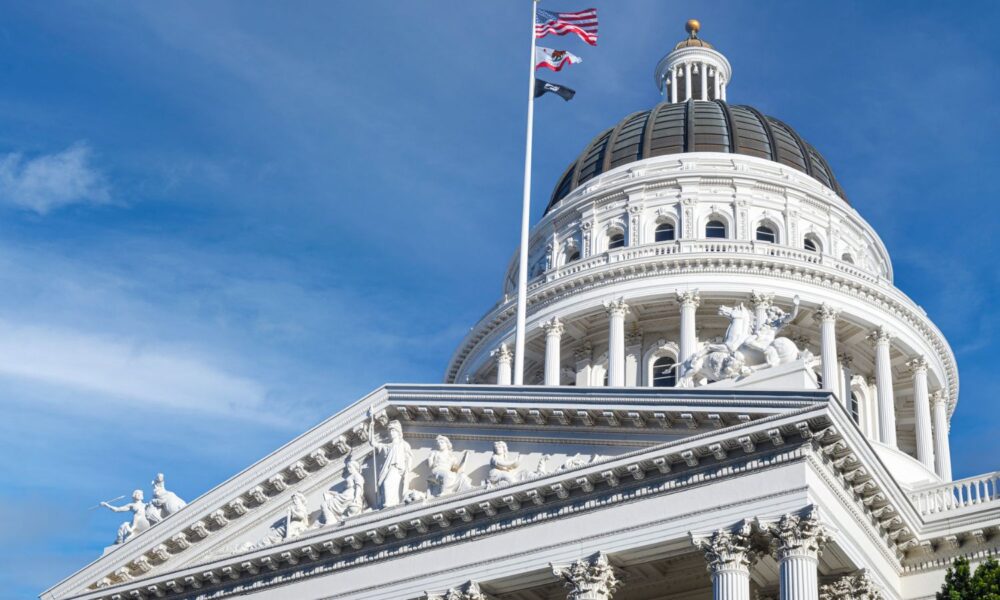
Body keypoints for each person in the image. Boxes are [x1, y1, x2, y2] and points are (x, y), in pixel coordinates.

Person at [373, 420, 412, 508]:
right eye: (390, 431)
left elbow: (409, 457)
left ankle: (389, 503)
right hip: (387, 469)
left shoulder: (404, 444)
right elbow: (373, 443)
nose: (391, 432)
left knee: (387, 483)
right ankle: (389, 502)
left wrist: (407, 470)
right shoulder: (387, 446)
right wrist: (371, 428)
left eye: (393, 430)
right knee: (383, 484)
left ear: (398, 432)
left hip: (397, 468)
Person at [321, 458, 365, 526]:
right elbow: (343, 491)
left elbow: (359, 487)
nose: (348, 469)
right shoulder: (350, 476)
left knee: (325, 504)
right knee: (325, 504)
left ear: (355, 467)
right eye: (347, 467)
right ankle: (331, 519)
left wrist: (356, 497)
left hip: (348, 497)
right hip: (343, 496)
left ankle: (331, 520)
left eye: (350, 467)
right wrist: (332, 493)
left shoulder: (357, 475)